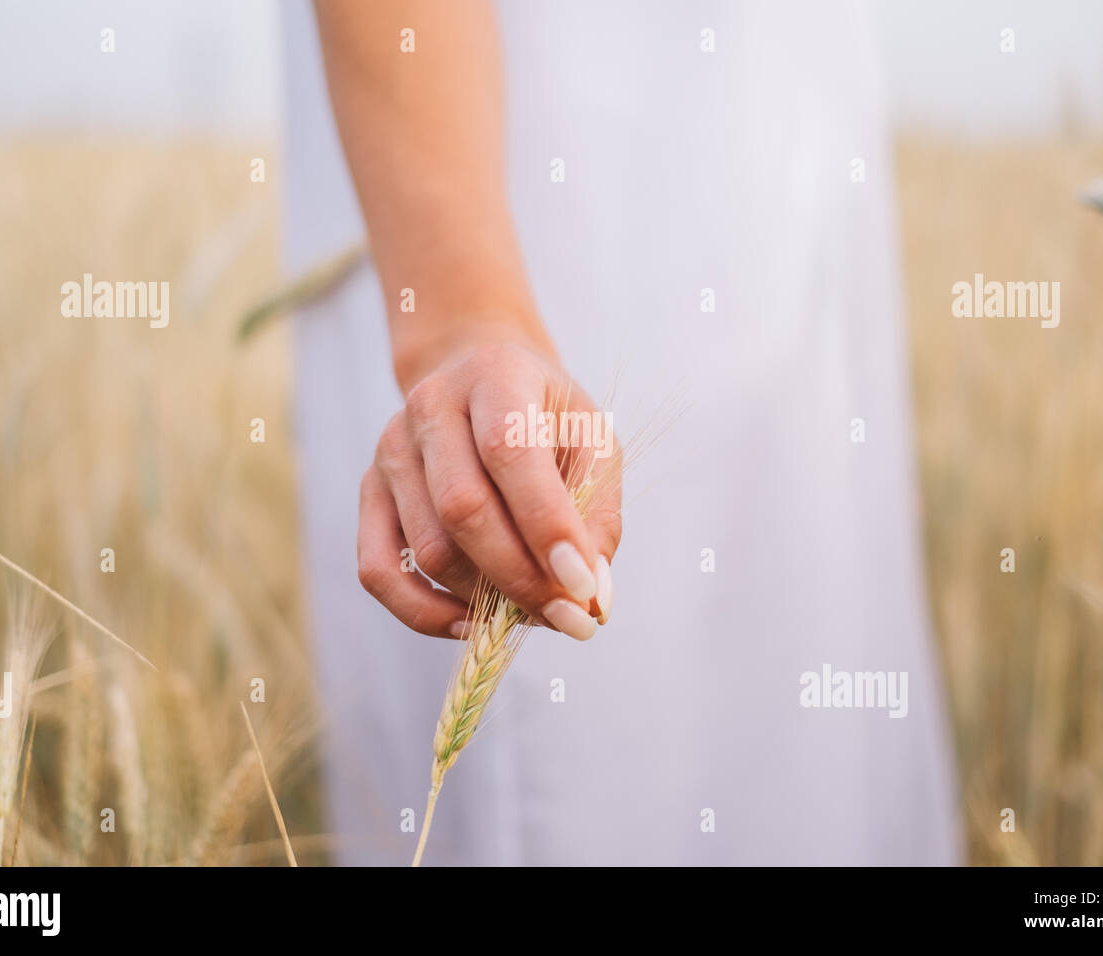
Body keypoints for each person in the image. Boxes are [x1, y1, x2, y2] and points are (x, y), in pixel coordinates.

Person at [285, 0, 960, 865]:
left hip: (781, 124)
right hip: (488, 149)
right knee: (578, 761)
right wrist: (459, 315)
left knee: (801, 742)